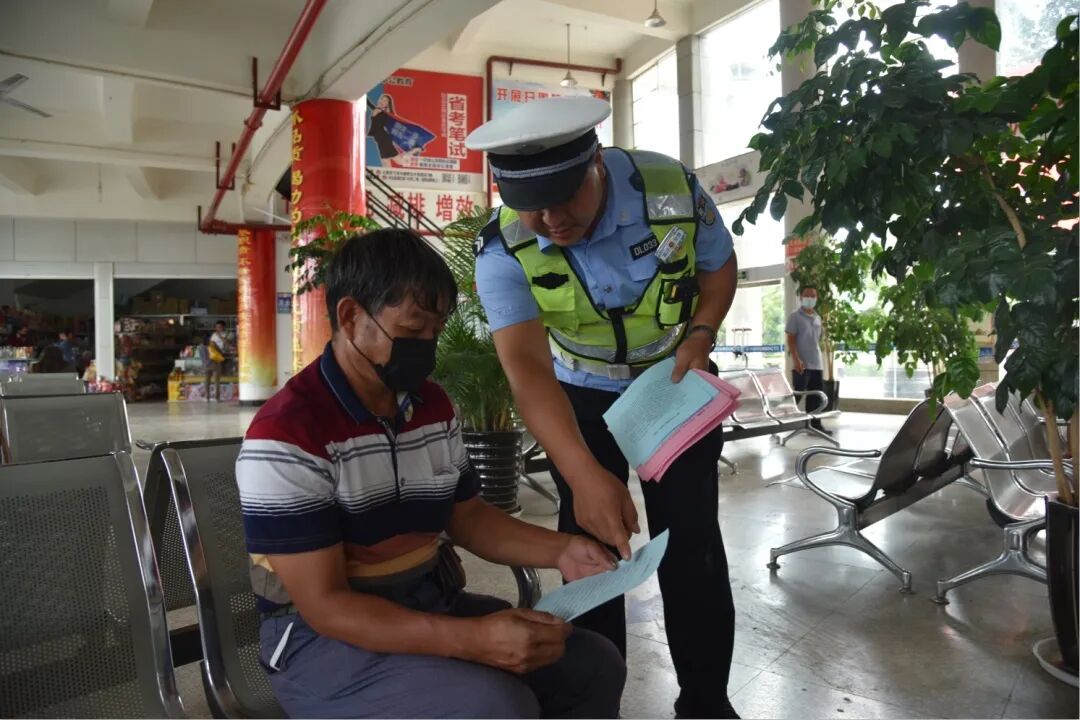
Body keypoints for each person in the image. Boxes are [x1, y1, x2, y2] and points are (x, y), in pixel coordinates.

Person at [236, 228, 626, 719]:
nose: (427, 346)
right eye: (413, 328)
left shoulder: (430, 405)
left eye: (436, 331)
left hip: (428, 602)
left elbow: (467, 517)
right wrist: (471, 639)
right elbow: (327, 605)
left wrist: (563, 550)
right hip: (320, 643)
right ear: (351, 316)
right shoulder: (288, 433)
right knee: (494, 706)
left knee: (593, 664)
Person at [467, 97, 741, 719]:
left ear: (597, 161)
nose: (551, 220)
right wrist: (584, 475)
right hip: (579, 395)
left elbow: (718, 268)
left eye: (565, 198)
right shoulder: (503, 247)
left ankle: (705, 703)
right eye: (532, 206)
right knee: (591, 554)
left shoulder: (668, 189)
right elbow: (527, 369)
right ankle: (595, 705)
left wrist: (701, 334)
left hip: (673, 381)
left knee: (692, 544)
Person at [785, 285, 830, 433]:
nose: (809, 298)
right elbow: (791, 340)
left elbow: (818, 339)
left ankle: (815, 426)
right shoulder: (795, 316)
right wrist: (796, 360)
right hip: (801, 364)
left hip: (816, 363)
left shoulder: (817, 317)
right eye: (807, 295)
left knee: (815, 397)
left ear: (816, 298)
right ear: (801, 297)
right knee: (797, 395)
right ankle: (779, 422)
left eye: (813, 296)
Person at [204, 321, 227, 401]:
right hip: (211, 358)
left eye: (219, 327)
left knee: (216, 379)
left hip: (217, 358)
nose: (217, 328)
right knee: (207, 378)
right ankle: (207, 397)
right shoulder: (213, 335)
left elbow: (226, 343)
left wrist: (219, 336)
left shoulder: (226, 334)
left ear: (223, 327)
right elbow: (210, 345)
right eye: (216, 327)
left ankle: (217, 397)